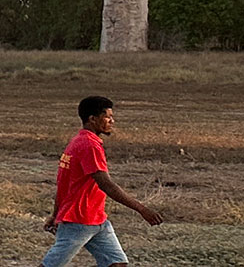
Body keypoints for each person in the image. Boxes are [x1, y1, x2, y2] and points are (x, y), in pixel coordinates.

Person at [40, 96, 162, 267]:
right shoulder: (89, 146)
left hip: (96, 219)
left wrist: (55, 214)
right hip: (79, 220)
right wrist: (141, 209)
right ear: (92, 119)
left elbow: (64, 184)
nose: (112, 121)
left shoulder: (77, 141)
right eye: (107, 117)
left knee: (116, 264)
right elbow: (106, 184)